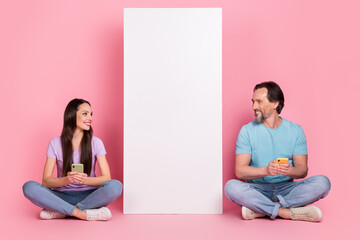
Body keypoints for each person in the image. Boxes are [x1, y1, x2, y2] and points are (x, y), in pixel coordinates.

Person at [224, 82, 331, 222]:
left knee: (323, 182)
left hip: (287, 189)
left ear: (275, 103)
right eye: (253, 102)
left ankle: (261, 210)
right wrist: (266, 170)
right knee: (231, 187)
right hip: (257, 190)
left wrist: (289, 170)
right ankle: (285, 212)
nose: (254, 106)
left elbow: (302, 170)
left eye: (259, 102)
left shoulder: (295, 130)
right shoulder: (247, 131)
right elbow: (240, 171)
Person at [23, 99, 122, 220]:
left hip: (90, 196)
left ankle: (62, 210)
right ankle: (81, 213)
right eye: (85, 114)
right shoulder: (55, 144)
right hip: (62, 196)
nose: (90, 118)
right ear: (71, 115)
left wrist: (85, 181)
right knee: (29, 187)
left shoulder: (96, 143)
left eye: (91, 114)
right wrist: (67, 180)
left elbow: (106, 178)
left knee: (116, 186)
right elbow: (46, 182)